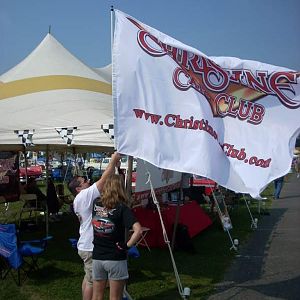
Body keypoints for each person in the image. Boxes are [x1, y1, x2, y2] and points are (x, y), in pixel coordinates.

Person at [68, 152, 121, 300]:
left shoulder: (81, 198)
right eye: (84, 180)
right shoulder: (84, 196)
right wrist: (113, 160)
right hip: (90, 247)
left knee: (88, 279)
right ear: (78, 188)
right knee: (94, 283)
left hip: (85, 245)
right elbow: (104, 180)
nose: (87, 180)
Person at [91, 174, 142, 300]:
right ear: (120, 188)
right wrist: (127, 246)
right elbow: (138, 230)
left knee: (96, 295)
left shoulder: (96, 204)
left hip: (97, 256)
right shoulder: (121, 208)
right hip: (115, 257)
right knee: (115, 297)